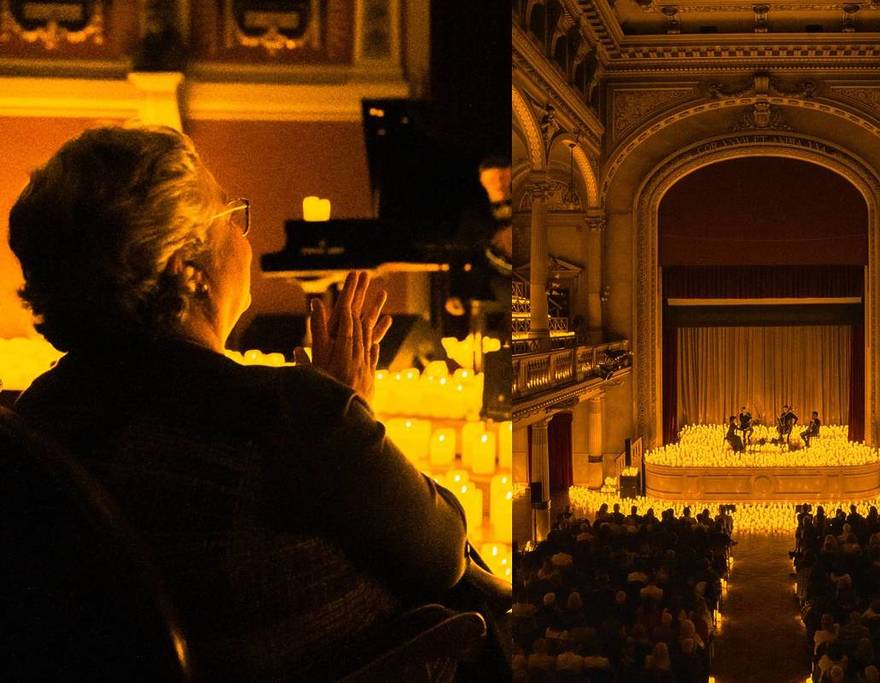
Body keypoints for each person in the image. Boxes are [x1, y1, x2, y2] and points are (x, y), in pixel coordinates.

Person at [9, 126, 507, 680]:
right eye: (231, 215)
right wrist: (345, 413)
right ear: (188, 266)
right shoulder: (286, 416)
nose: (244, 235)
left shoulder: (34, 421)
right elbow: (442, 554)